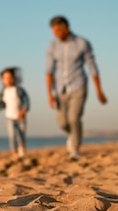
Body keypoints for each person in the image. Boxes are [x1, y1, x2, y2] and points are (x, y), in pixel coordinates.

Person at [45, 16, 107, 160]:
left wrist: (99, 90)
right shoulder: (52, 46)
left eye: (57, 31)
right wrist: (49, 94)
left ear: (65, 28)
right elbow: (49, 71)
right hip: (60, 88)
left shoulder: (82, 43)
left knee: (74, 118)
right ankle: (72, 135)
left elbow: (93, 68)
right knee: (62, 123)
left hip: (78, 85)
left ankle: (75, 149)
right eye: (53, 31)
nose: (55, 34)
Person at [0, 67, 30, 159]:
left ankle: (22, 149)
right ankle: (14, 152)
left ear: (14, 78)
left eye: (10, 77)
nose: (8, 80)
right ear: (2, 80)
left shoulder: (19, 90)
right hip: (9, 117)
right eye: (5, 78)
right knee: (12, 135)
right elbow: (1, 104)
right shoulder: (3, 92)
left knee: (21, 134)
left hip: (20, 117)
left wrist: (23, 112)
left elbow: (26, 102)